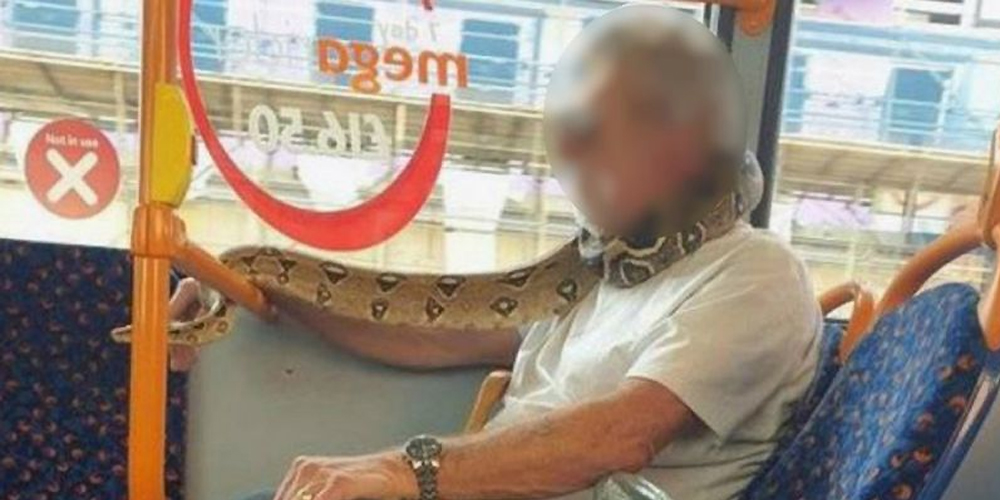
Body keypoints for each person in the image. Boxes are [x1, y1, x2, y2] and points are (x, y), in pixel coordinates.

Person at [170, 6, 820, 500]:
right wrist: (253, 279)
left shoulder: (755, 275)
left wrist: (403, 470)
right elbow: (428, 333)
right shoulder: (596, 270)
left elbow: (622, 436)